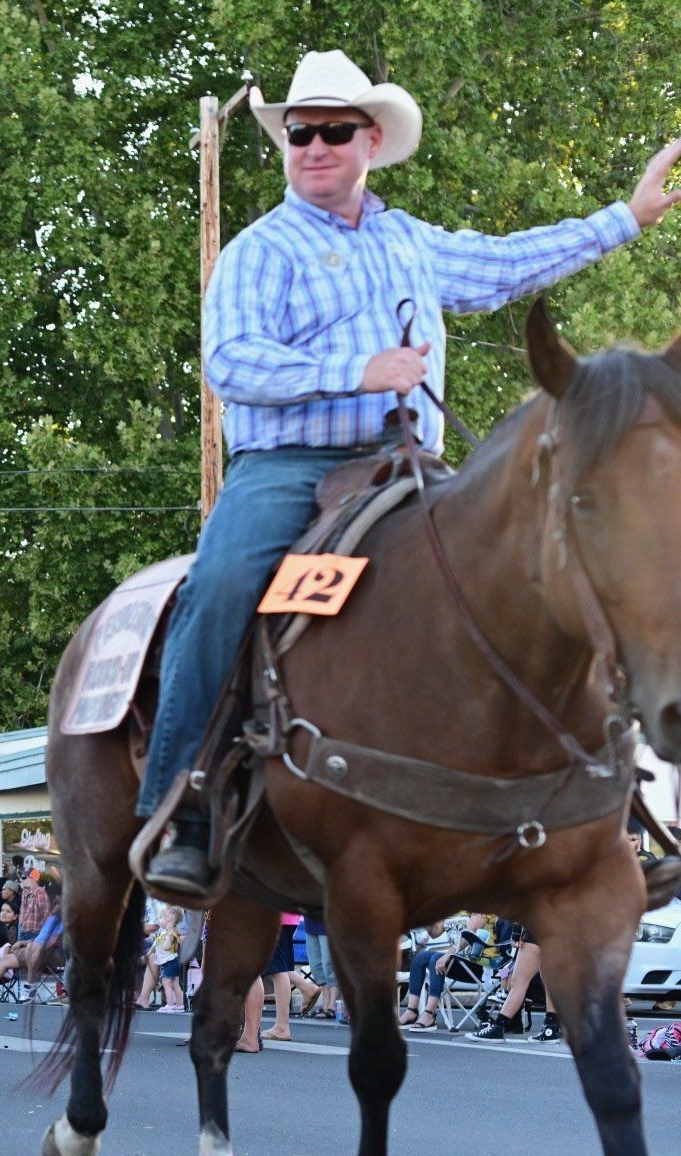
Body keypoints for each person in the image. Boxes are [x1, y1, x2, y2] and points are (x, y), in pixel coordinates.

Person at [139, 49, 681, 896]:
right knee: (219, 584)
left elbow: (508, 263)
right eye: (298, 131)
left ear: (372, 138)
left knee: (551, 569)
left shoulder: (408, 240)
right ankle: (183, 803)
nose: (312, 145)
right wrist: (361, 369)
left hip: (410, 467)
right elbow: (232, 362)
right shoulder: (260, 250)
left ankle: (602, 807)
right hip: (289, 467)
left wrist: (627, 217)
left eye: (331, 131)